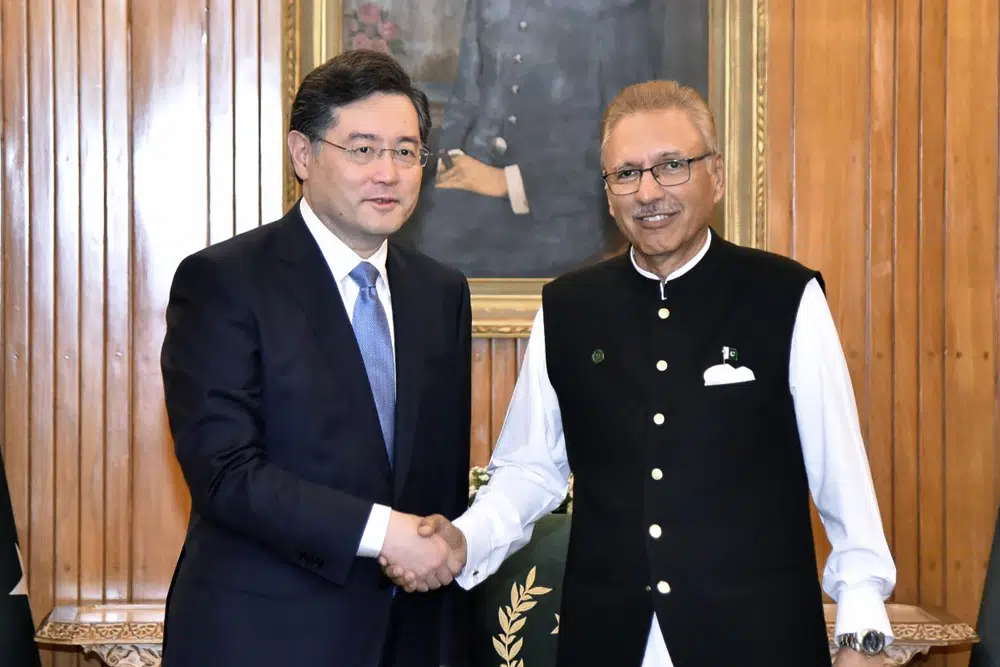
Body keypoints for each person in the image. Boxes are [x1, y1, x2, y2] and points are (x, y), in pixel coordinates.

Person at [383, 80, 897, 666]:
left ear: (715, 176)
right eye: (626, 173)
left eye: (672, 166)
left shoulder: (786, 296)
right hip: (607, 641)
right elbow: (531, 468)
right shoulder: (568, 308)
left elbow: (840, 474)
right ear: (608, 194)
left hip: (757, 640)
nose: (648, 192)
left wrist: (862, 626)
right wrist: (462, 541)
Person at [159, 49, 471, 667]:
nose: (388, 173)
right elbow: (225, 471)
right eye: (363, 149)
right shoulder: (224, 281)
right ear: (303, 154)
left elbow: (438, 477)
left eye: (406, 151)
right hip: (263, 638)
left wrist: (450, 544)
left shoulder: (440, 292)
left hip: (407, 637)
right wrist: (385, 532)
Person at [394, 0, 708, 278]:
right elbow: (466, 94)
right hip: (465, 198)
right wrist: (451, 161)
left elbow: (627, 136)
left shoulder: (618, 9)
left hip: (560, 213)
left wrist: (506, 183)